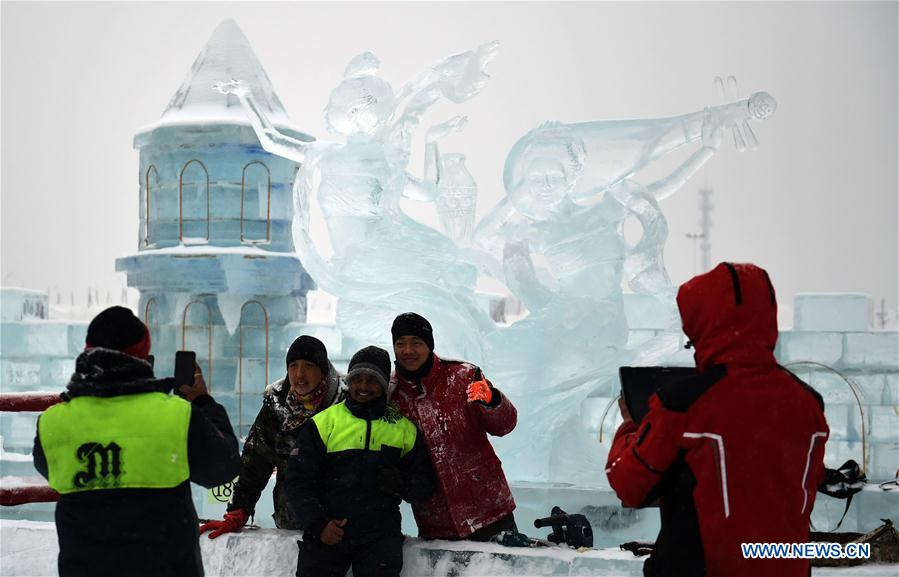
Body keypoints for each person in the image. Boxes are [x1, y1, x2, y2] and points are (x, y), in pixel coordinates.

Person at [606, 263, 830, 577]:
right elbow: (802, 481)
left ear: (703, 330)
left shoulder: (684, 403)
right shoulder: (807, 402)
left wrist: (631, 425)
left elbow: (629, 484)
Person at [32, 306, 241, 577]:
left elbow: (48, 468)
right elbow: (223, 466)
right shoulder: (176, 416)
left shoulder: (54, 422)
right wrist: (203, 401)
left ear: (88, 351)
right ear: (143, 356)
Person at [286, 346, 434, 577]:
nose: (363, 386)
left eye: (372, 380)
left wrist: (402, 484)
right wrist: (319, 525)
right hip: (327, 534)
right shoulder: (324, 423)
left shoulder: (404, 429)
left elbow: (426, 484)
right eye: (357, 379)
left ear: (384, 384)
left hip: (380, 539)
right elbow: (296, 480)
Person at [389, 312, 518, 541]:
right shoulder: (391, 394)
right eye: (400, 344)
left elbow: (505, 425)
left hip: (489, 511)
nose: (408, 350)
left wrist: (492, 400)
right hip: (435, 522)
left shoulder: (464, 376)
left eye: (416, 343)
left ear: (429, 345)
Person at [199, 335, 343, 536]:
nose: (299, 374)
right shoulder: (276, 406)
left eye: (309, 365)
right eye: (293, 366)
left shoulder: (346, 404)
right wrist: (238, 511)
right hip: (291, 526)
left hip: (338, 526)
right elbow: (255, 461)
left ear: (323, 369)